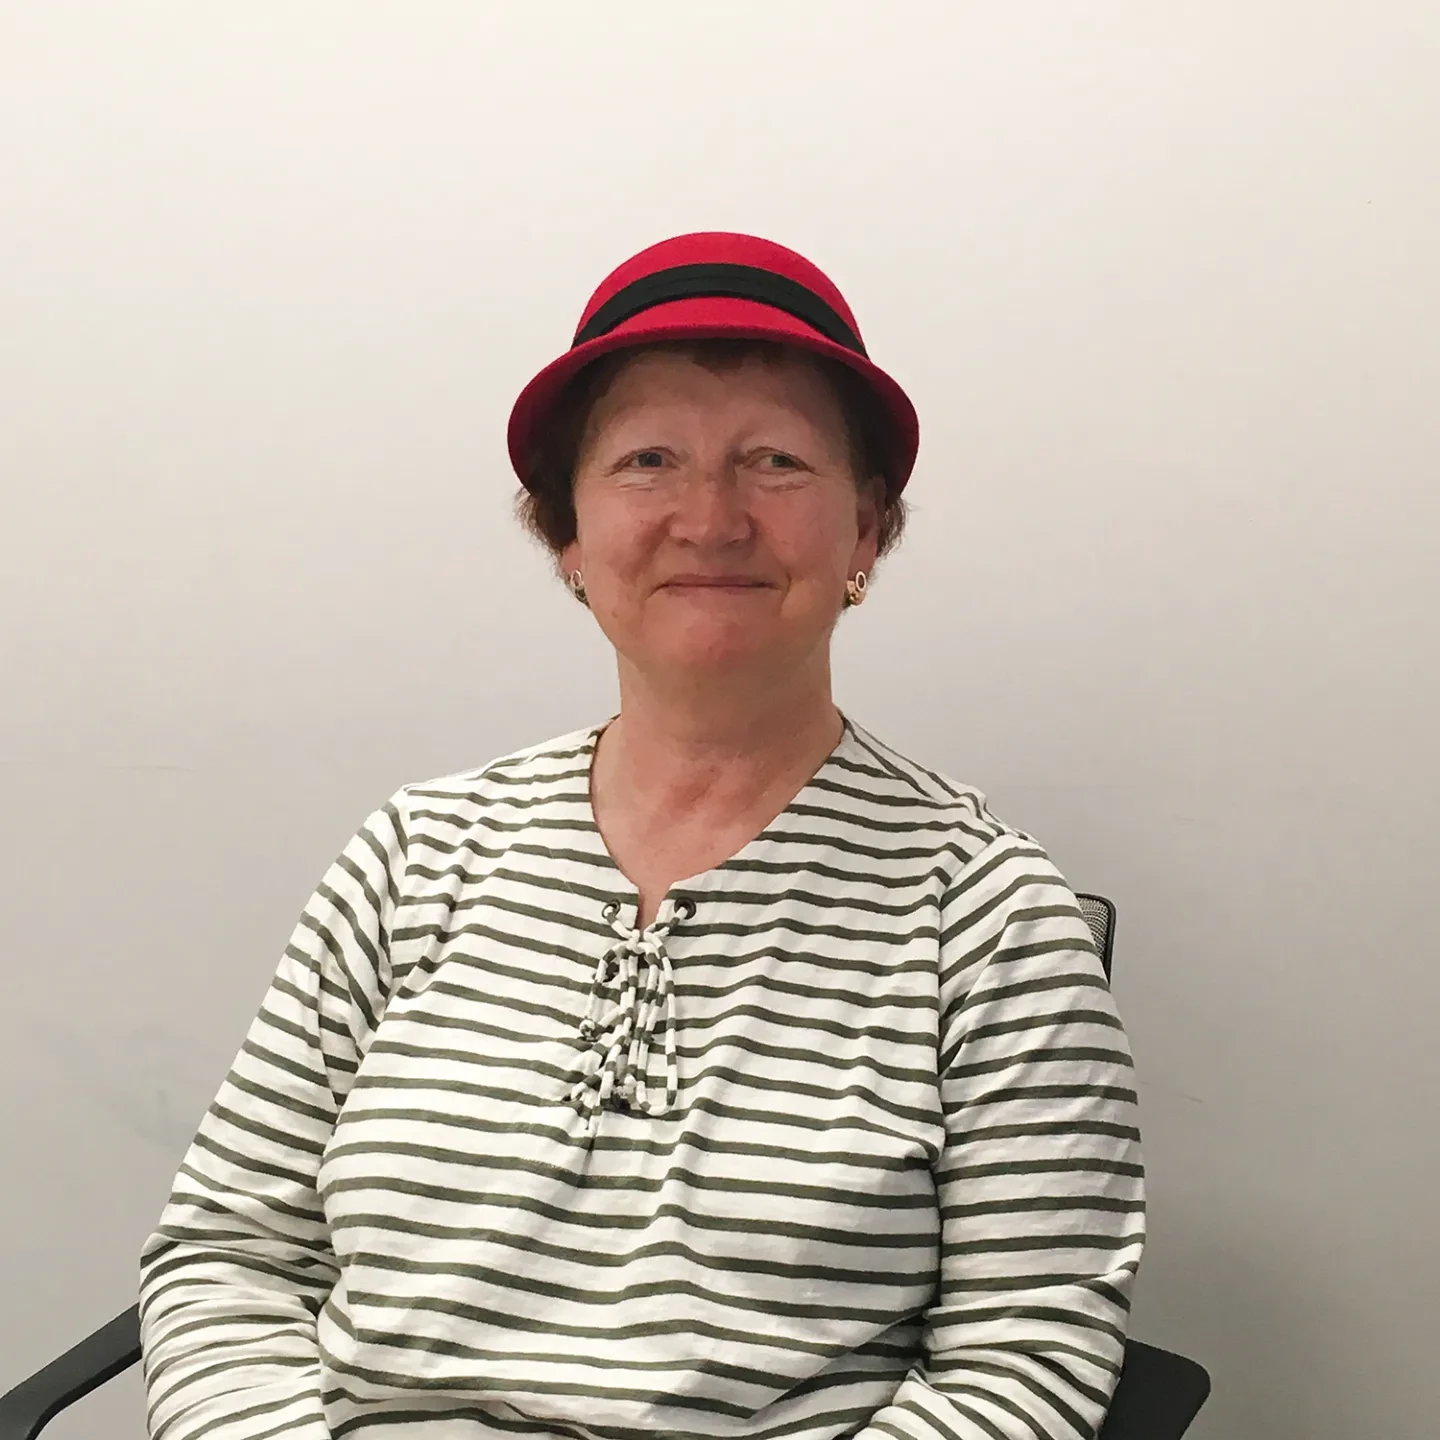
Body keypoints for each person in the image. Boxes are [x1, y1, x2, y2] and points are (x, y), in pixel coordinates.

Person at [139, 232, 1144, 1440]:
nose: (709, 519)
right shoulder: (415, 854)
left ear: (868, 530)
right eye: (647, 460)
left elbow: (1023, 1363)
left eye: (775, 461)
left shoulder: (989, 917)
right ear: (566, 534)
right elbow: (228, 1256)